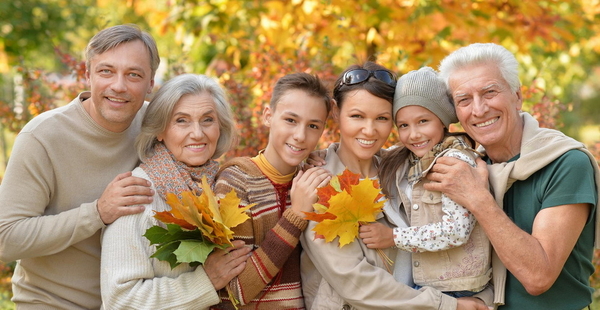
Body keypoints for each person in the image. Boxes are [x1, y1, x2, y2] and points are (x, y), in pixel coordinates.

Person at [300, 62, 490, 310]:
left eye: (382, 118)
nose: (369, 130)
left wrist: (478, 160)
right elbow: (355, 283)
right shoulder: (320, 183)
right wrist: (448, 306)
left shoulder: (399, 169)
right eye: (357, 116)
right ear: (336, 113)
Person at [426, 42, 600, 309]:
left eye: (489, 92)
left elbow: (538, 276)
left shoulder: (566, 162)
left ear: (517, 96)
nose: (479, 109)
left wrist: (477, 198)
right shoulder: (467, 165)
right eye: (464, 100)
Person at [0, 24, 159, 309]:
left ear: (150, 83)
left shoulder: (157, 128)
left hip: (133, 302)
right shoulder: (42, 137)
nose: (118, 86)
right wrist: (98, 212)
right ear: (88, 75)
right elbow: (6, 239)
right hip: (52, 303)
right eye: (106, 71)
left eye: (133, 74)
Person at [101, 73, 251, 309]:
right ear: (160, 131)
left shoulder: (224, 186)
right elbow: (120, 300)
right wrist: (205, 282)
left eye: (207, 120)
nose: (198, 133)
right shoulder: (137, 194)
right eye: (182, 121)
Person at [361, 67, 492, 299]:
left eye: (423, 121)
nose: (413, 134)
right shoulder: (410, 157)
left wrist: (393, 237)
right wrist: (321, 155)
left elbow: (457, 230)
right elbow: (369, 154)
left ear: (442, 120)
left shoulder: (454, 162)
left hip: (458, 287)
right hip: (427, 286)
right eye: (403, 125)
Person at [210, 72, 333, 309]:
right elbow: (233, 291)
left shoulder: (312, 181)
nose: (300, 135)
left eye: (313, 126)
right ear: (268, 116)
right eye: (290, 120)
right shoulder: (236, 183)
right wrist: (296, 215)